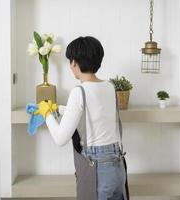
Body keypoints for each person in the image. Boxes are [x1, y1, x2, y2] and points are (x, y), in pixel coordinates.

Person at [44, 36, 128, 200]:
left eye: (70, 61)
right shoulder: (109, 87)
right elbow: (93, 112)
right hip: (117, 166)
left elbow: (60, 138)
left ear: (74, 62)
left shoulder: (78, 92)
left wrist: (46, 114)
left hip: (97, 168)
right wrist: (59, 109)